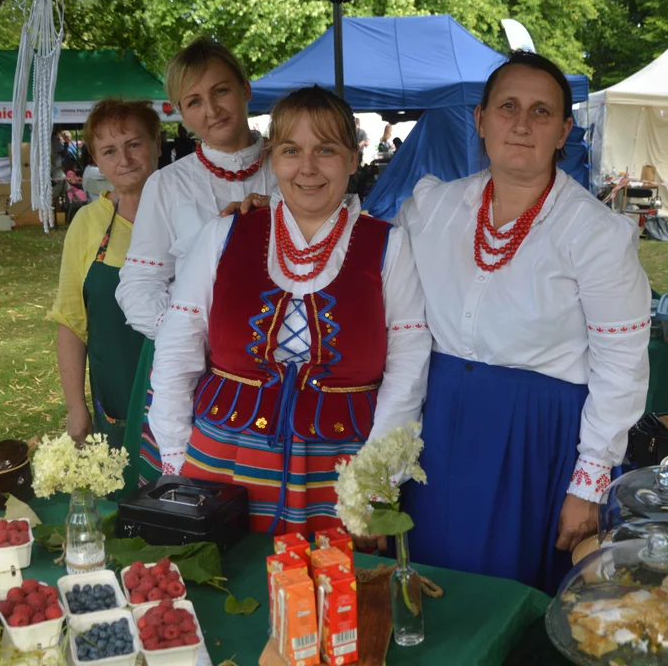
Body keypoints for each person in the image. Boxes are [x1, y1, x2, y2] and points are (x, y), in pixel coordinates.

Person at [398, 51, 651, 594]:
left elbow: (621, 366)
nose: (521, 123)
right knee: (430, 581)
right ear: (481, 120)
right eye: (508, 106)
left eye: (541, 112)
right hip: (435, 430)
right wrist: (267, 212)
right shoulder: (431, 208)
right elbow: (359, 255)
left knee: (506, 592)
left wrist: (588, 483)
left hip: (534, 440)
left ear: (563, 132)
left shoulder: (596, 235)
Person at [147, 86, 430, 538]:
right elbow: (177, 349)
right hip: (222, 459)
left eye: (326, 149)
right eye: (291, 150)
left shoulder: (389, 246)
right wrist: (177, 458)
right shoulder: (224, 234)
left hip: (343, 469)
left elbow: (408, 368)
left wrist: (376, 482)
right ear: (272, 158)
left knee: (327, 598)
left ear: (354, 158)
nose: (308, 168)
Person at [116, 37, 276, 489]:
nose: (212, 109)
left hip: (284, 364)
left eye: (221, 90)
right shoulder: (167, 185)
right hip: (197, 366)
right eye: (194, 101)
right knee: (201, 493)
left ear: (245, 88)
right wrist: (193, 329)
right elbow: (137, 286)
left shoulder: (294, 166)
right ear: (180, 113)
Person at [50, 99, 160, 450]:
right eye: (110, 151)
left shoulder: (190, 212)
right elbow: (71, 323)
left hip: (191, 399)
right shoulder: (86, 223)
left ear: (157, 143)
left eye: (134, 145)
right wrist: (75, 407)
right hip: (117, 398)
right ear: (96, 160)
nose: (124, 160)